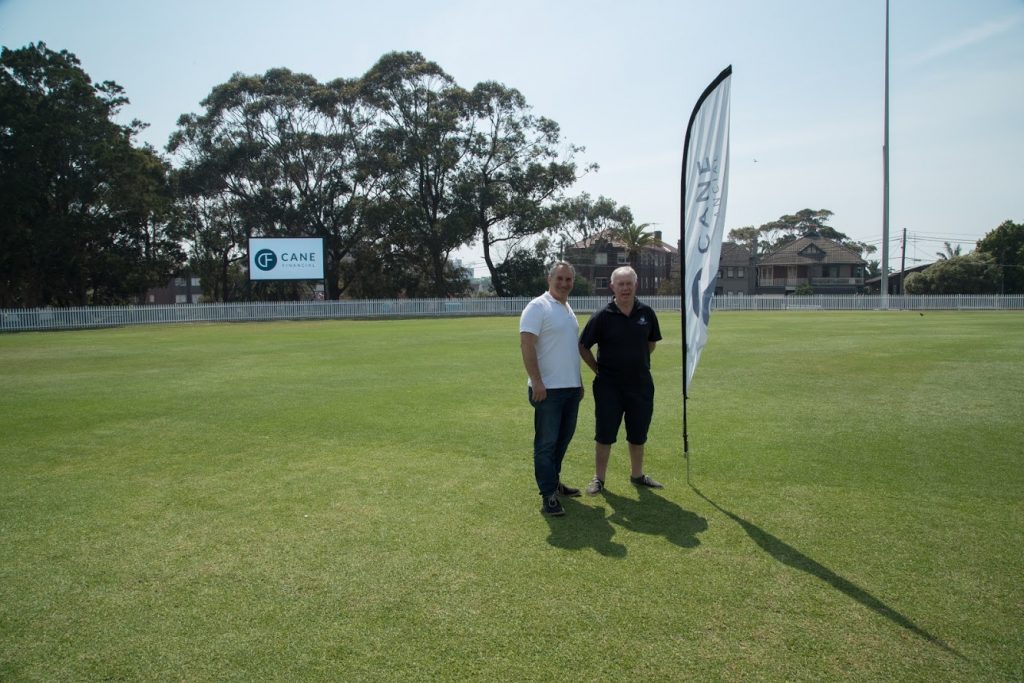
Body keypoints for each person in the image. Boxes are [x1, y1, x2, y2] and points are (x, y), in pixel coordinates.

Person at [579, 265, 663, 495]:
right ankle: (599, 479)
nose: (625, 288)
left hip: (641, 384)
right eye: (621, 284)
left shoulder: (647, 313)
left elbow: (651, 343)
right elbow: (583, 346)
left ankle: (637, 475)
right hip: (609, 387)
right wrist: (598, 370)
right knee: (605, 433)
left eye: (629, 284)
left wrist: (635, 363)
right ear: (612, 287)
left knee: (638, 433)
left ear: (636, 285)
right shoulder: (602, 317)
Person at [520, 261, 584, 516]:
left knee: (562, 441)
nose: (564, 283)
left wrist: (578, 381)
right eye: (560, 278)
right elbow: (526, 345)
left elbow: (569, 350)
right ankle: (548, 496)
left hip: (570, 388)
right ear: (549, 279)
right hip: (547, 390)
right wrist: (536, 381)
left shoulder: (567, 308)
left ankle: (554, 482)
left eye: (569, 279)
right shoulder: (538, 307)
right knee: (546, 444)